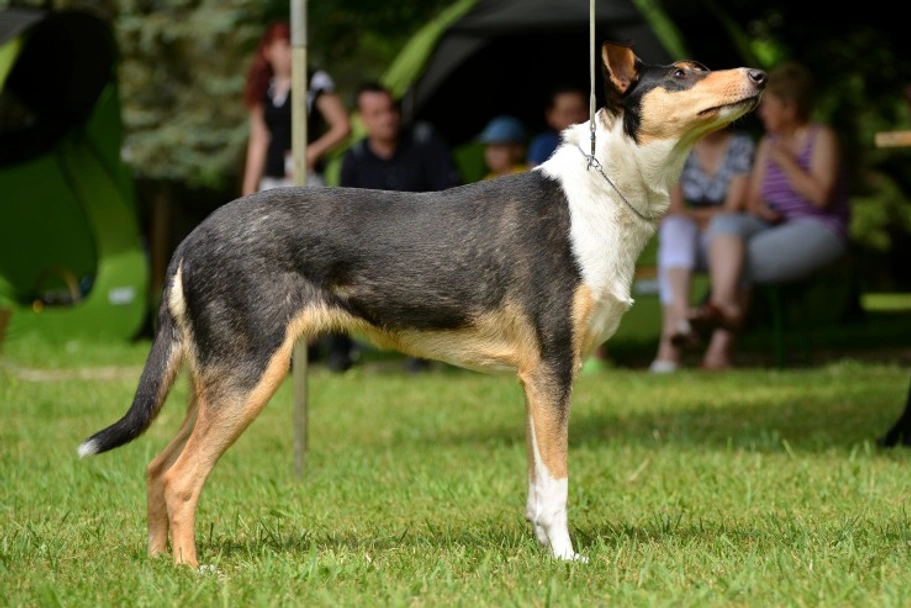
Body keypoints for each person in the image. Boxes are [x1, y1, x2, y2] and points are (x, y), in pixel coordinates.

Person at [672, 61, 851, 369]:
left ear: (790, 108)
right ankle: (721, 311)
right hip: (774, 226)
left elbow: (820, 197)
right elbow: (752, 200)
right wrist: (760, 209)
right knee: (726, 223)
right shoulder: (768, 143)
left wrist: (786, 161)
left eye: (768, 105)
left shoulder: (821, 137)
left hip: (818, 227)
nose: (761, 112)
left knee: (739, 259)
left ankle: (718, 338)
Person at [327, 82, 461, 372]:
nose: (387, 118)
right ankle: (340, 354)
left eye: (390, 110)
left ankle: (425, 352)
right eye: (376, 113)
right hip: (372, 250)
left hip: (426, 241)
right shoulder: (354, 160)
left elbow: (452, 198)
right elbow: (346, 220)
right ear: (362, 120)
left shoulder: (426, 144)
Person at [648, 127, 756, 373]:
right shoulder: (680, 147)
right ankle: (683, 318)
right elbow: (674, 208)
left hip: (724, 236)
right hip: (691, 235)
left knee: (721, 229)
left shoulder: (741, 145)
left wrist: (697, 216)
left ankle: (674, 344)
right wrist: (700, 217)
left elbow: (734, 207)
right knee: (674, 229)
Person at [241, 22, 351, 195]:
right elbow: (259, 139)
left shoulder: (315, 82)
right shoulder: (263, 89)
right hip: (271, 180)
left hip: (307, 179)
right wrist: (249, 188)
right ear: (268, 51)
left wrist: (313, 151)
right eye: (285, 46)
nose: (291, 53)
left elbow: (342, 126)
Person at [526, 85, 588, 167]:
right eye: (568, 113)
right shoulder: (544, 145)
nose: (575, 118)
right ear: (550, 115)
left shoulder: (599, 141)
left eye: (580, 111)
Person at [478, 115, 529, 180]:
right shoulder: (486, 181)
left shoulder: (527, 174)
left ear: (518, 150)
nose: (493, 153)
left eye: (499, 147)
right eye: (489, 146)